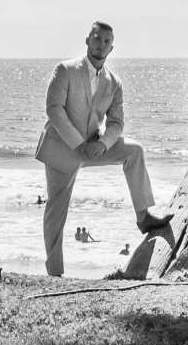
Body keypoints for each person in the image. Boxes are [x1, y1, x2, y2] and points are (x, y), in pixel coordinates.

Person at [36, 21, 173, 277]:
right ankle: (55, 272)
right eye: (97, 39)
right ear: (88, 40)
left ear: (112, 48)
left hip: (94, 146)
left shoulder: (114, 82)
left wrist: (102, 144)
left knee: (135, 151)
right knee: (56, 209)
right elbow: (54, 109)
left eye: (107, 42)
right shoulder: (65, 70)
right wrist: (78, 144)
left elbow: (117, 123)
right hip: (63, 148)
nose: (101, 45)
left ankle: (145, 215)